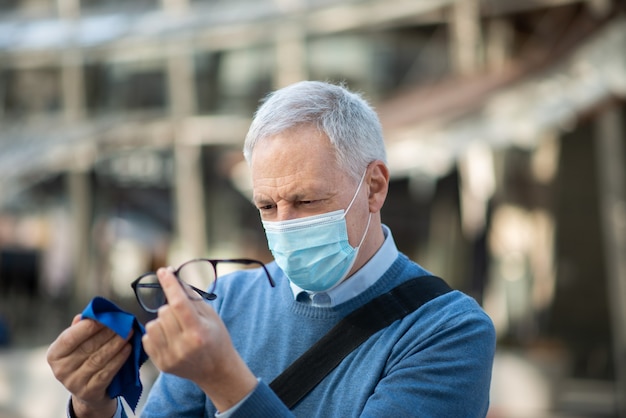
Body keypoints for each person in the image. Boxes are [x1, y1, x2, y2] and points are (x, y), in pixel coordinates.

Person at [47, 80, 496, 417]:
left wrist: (224, 378)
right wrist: (93, 403)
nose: (284, 224)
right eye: (266, 205)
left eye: (307, 201)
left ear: (374, 187)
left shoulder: (448, 331)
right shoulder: (229, 301)